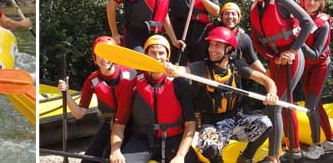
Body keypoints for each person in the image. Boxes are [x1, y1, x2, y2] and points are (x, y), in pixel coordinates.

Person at [167, 27, 278, 163]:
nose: (212, 49)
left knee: (265, 124)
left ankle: (246, 158)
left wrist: (272, 93)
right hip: (211, 122)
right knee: (209, 147)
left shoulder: (237, 66)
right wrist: (173, 69)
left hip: (235, 117)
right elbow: (183, 70)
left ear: (229, 49)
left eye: (217, 45)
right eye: (211, 44)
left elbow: (266, 80)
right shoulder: (201, 67)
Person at [246, 0, 315, 162]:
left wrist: (293, 50)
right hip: (277, 61)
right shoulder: (253, 7)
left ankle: (273, 157)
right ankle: (293, 149)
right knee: (283, 104)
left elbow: (307, 22)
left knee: (274, 104)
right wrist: (272, 57)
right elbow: (256, 41)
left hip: (293, 58)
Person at [109, 35, 197, 163]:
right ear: (146, 55)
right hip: (142, 139)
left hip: (173, 139)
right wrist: (115, 150)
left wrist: (180, 156)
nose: (157, 57)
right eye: (152, 53)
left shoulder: (180, 84)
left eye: (161, 53)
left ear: (167, 56)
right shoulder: (132, 84)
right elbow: (119, 124)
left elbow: (190, 125)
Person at [57, 36, 135, 163]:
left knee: (107, 156)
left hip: (131, 126)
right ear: (94, 57)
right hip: (108, 125)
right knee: (87, 160)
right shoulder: (92, 80)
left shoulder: (131, 73)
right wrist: (66, 94)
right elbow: (79, 114)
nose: (104, 59)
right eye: (100, 55)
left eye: (108, 54)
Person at [297, 0, 333, 159]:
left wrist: (297, 40)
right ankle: (331, 140)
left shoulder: (322, 23)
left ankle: (317, 145)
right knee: (316, 104)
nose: (312, 2)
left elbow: (315, 54)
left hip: (319, 65)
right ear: (302, 0)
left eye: (316, 0)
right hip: (305, 67)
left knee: (310, 106)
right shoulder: (298, 17)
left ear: (321, 3)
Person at [217, 2, 266, 74]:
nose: (230, 17)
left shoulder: (244, 38)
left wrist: (266, 74)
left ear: (238, 18)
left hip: (232, 78)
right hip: (210, 75)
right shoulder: (212, 31)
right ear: (222, 17)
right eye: (226, 13)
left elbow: (252, 60)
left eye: (234, 14)